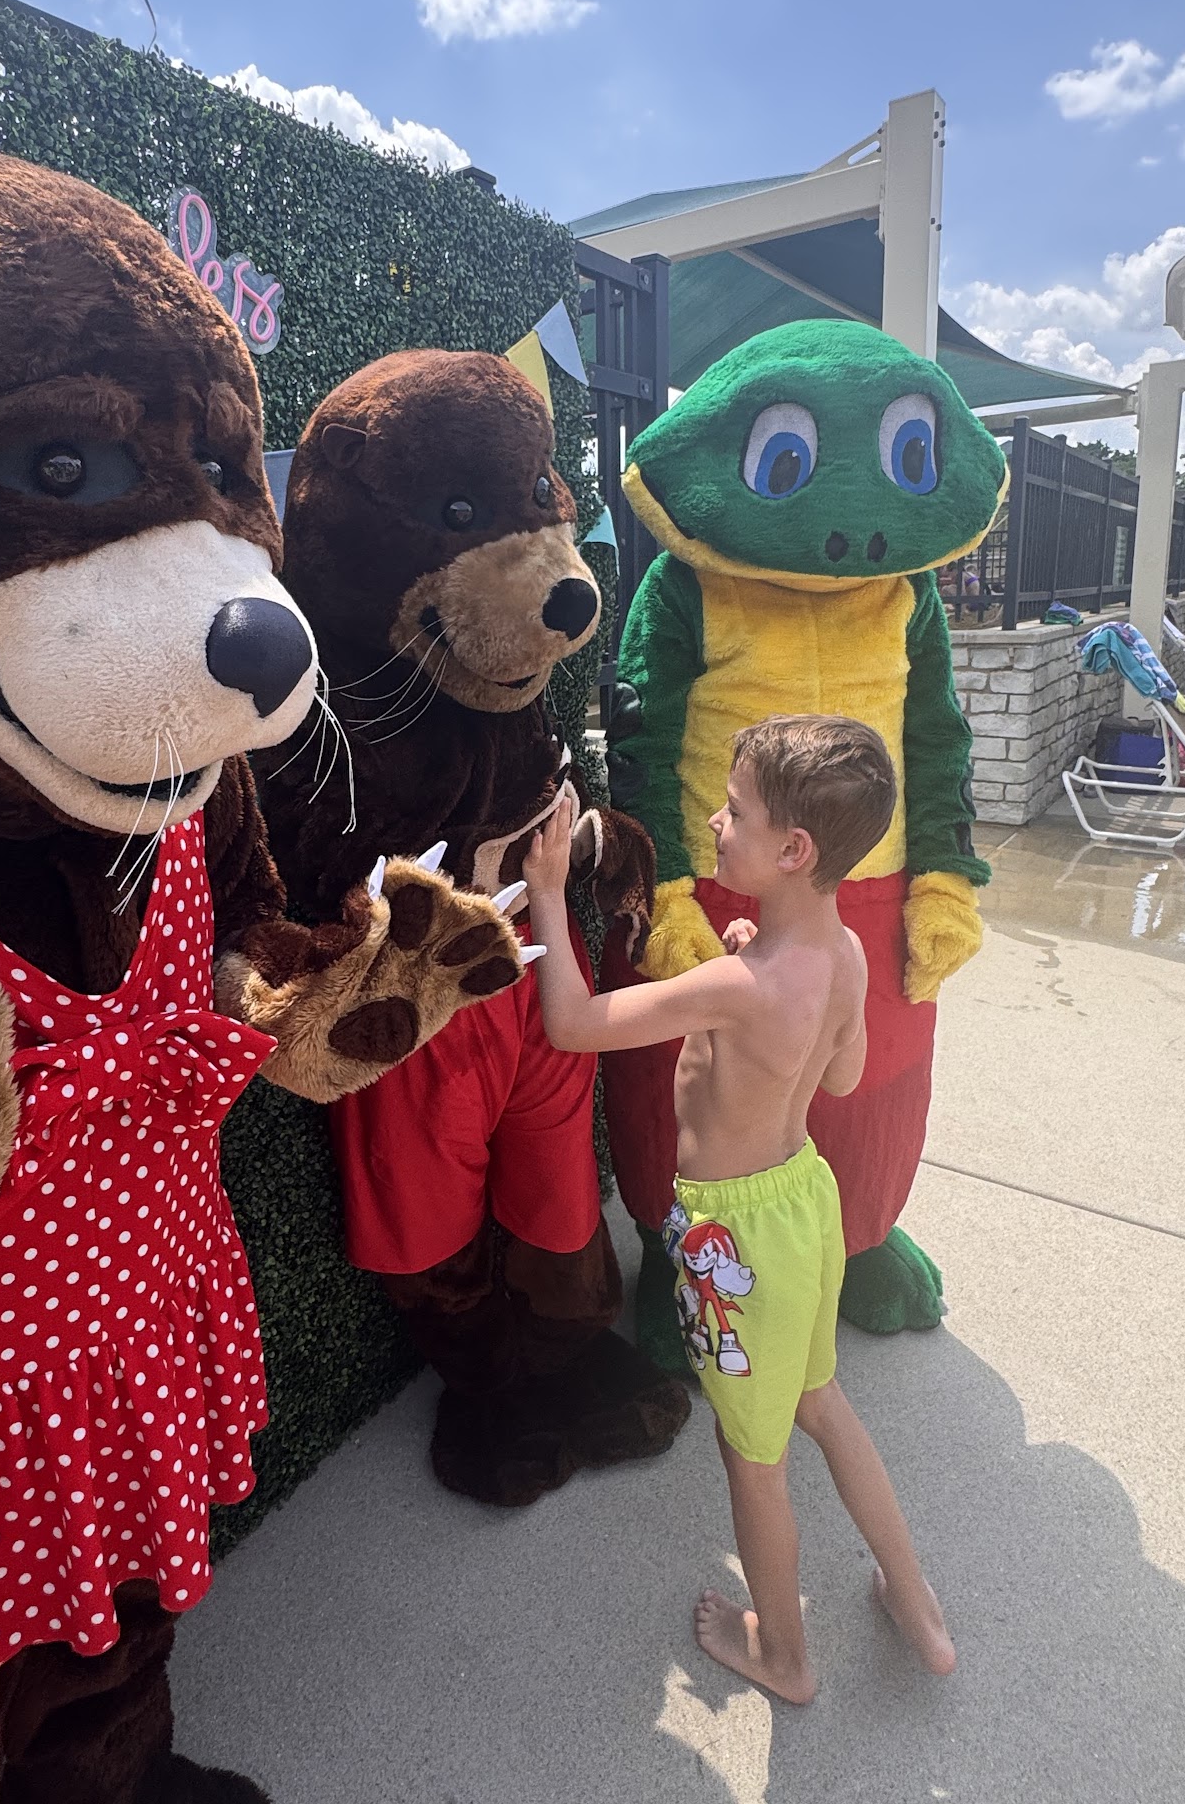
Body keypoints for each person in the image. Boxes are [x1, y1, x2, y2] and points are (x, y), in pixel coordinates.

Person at [520, 714, 955, 1702]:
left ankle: (785, 1658)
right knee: (822, 1405)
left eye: (735, 810)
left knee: (752, 1460)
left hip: (737, 1242)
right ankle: (916, 1603)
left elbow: (574, 1023)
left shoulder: (735, 984)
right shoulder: (843, 954)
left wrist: (547, 892)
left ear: (793, 850)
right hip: (804, 1204)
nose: (716, 822)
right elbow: (839, 1077)